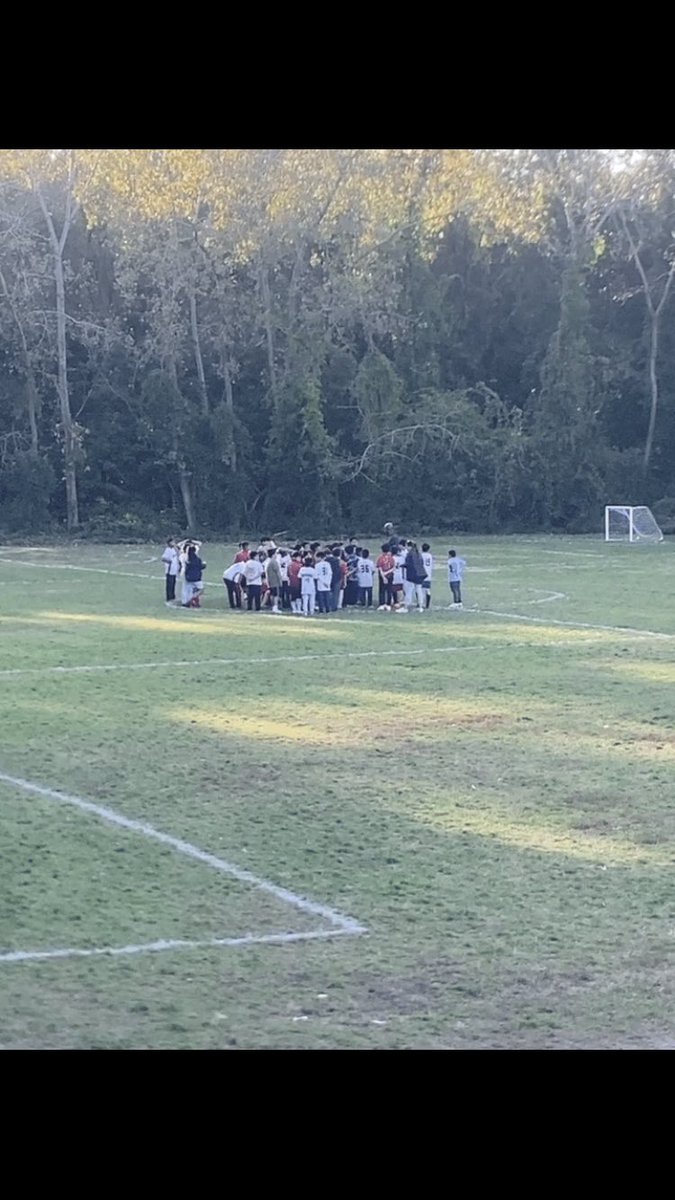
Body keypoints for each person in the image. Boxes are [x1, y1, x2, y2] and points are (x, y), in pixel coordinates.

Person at [405, 542, 427, 613]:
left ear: (410, 546)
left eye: (407, 546)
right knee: (419, 590)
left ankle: (406, 606)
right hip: (421, 574)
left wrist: (402, 565)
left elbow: (409, 564)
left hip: (413, 574)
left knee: (409, 590)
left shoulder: (410, 554)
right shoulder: (418, 553)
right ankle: (420, 606)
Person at [182, 544, 207, 608]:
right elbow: (200, 566)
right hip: (196, 578)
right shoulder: (197, 559)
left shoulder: (187, 559)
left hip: (188, 577)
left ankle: (186, 602)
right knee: (201, 590)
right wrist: (204, 565)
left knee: (188, 590)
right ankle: (192, 599)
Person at [161, 537, 180, 605]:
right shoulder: (168, 550)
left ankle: (173, 596)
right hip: (169, 569)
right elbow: (163, 558)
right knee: (169, 584)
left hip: (174, 569)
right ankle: (169, 597)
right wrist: (169, 561)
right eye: (172, 542)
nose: (173, 543)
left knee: (173, 583)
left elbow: (179, 555)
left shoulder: (175, 549)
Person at [376, 543, 395, 608]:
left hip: (382, 575)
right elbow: (393, 568)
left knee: (382, 590)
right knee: (389, 589)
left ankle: (382, 603)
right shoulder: (391, 558)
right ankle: (388, 604)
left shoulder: (380, 558)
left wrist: (383, 576)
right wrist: (387, 573)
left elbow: (379, 568)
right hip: (390, 575)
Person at [265, 548, 283, 614]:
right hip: (275, 581)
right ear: (273, 554)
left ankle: (273, 606)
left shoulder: (268, 562)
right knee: (276, 594)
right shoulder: (274, 562)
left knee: (272, 594)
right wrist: (280, 580)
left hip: (270, 581)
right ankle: (275, 607)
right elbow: (278, 572)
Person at [326, 546, 342, 612]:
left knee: (328, 593)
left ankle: (328, 605)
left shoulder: (327, 560)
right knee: (336, 594)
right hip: (337, 579)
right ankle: (334, 607)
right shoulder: (337, 561)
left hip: (328, 578)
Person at [421, 542, 434, 609]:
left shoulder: (421, 555)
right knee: (427, 589)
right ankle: (427, 604)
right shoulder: (430, 556)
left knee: (421, 590)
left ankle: (421, 603)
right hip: (428, 574)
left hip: (422, 574)